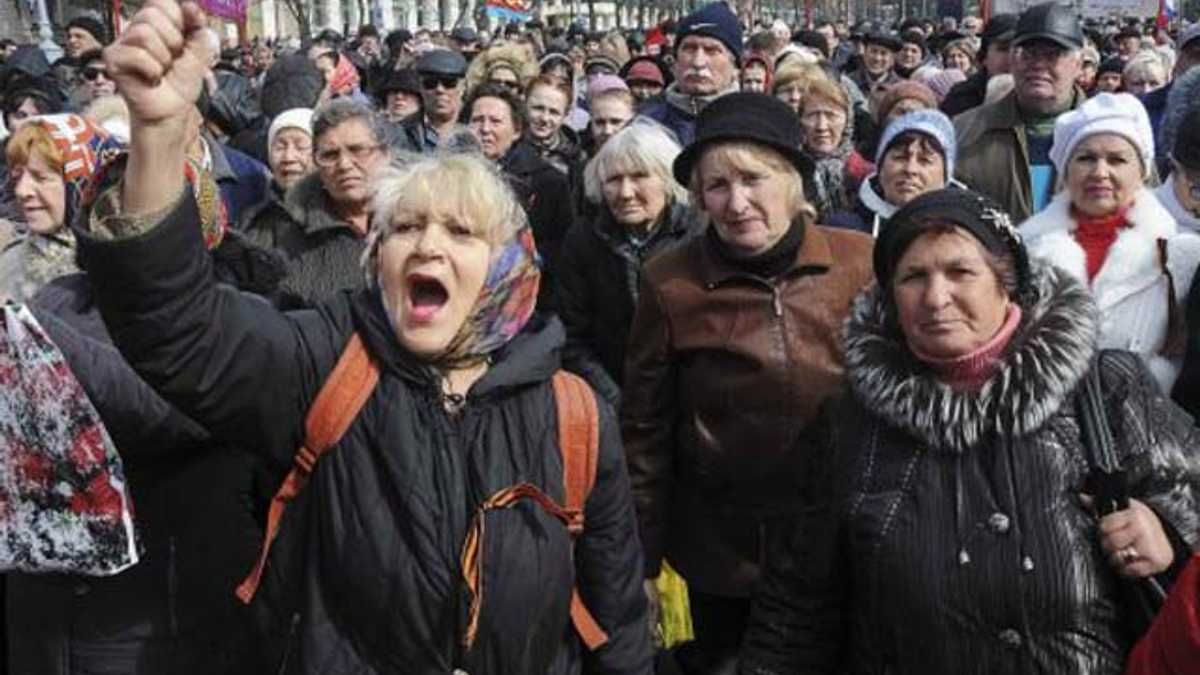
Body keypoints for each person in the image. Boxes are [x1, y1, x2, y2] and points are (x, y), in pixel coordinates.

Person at [81, 5, 654, 673]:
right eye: (406, 228)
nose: (428, 246)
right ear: (378, 255)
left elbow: (616, 622)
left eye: (461, 233)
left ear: (506, 268)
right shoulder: (328, 362)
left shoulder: (574, 415)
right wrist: (156, 133)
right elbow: (176, 329)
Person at [739, 187, 1200, 675]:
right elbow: (795, 608)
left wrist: (1168, 532)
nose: (937, 298)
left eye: (960, 272)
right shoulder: (847, 426)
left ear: (1007, 283)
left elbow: (1189, 496)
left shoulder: (1105, 387)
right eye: (914, 277)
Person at [622, 93, 873, 675]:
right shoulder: (670, 283)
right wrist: (642, 559)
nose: (736, 203)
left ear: (791, 181)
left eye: (753, 179)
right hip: (724, 557)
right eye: (716, 186)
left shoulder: (860, 264)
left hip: (844, 545)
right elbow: (645, 431)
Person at [1020, 93, 1200, 394]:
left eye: (1117, 159)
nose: (1100, 172)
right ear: (1066, 170)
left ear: (1141, 171)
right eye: (1086, 158)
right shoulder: (1026, 249)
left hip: (1147, 424)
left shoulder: (1180, 256)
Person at [558, 120, 700, 407]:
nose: (625, 192)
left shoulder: (699, 236)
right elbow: (571, 335)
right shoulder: (583, 240)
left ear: (666, 179)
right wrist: (615, 401)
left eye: (639, 176)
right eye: (613, 180)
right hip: (609, 401)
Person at [243, 99, 390, 307]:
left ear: (384, 155)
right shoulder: (277, 231)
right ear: (316, 161)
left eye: (357, 150)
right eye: (330, 155)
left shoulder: (418, 220)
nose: (344, 165)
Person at [955, 2, 1086, 222]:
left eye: (1052, 55)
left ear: (1078, 64)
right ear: (1013, 60)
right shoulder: (966, 131)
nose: (1038, 64)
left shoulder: (1110, 134)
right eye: (1029, 54)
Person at [466, 83, 575, 313]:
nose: (485, 129)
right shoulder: (448, 177)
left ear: (516, 130)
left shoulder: (549, 182)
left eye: (495, 121)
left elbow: (561, 249)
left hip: (524, 304)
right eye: (477, 120)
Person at [0, 115, 123, 303]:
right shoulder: (9, 265)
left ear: (84, 181)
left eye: (40, 178)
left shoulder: (124, 266)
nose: (22, 191)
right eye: (17, 178)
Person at [828, 110, 961, 236]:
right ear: (880, 168)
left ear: (946, 175)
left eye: (924, 160)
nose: (910, 169)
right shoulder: (843, 231)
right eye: (900, 157)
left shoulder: (964, 235)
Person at [640, 2, 742, 146]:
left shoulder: (755, 124)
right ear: (675, 60)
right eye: (689, 49)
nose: (698, 62)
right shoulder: (646, 124)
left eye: (712, 50)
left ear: (735, 66)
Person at [799, 76, 873, 219]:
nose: (821, 126)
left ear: (847, 121)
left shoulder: (867, 176)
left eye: (831, 115)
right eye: (812, 115)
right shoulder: (792, 175)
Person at [940, 13, 1017, 117]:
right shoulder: (961, 99)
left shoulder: (1038, 98)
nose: (1012, 58)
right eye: (1003, 49)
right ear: (984, 57)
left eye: (1019, 50)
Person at [395, 49, 468, 154]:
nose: (440, 90)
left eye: (449, 83)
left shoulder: (477, 128)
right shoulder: (401, 132)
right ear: (420, 87)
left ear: (462, 88)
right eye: (430, 83)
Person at [523, 74, 584, 176]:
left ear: (566, 114)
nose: (544, 118)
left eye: (554, 112)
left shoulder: (577, 160)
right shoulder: (504, 147)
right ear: (524, 104)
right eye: (538, 108)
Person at [849, 31, 901, 98]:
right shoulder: (849, 82)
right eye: (873, 51)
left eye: (883, 53)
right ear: (864, 53)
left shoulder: (899, 88)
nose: (877, 58)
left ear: (892, 59)